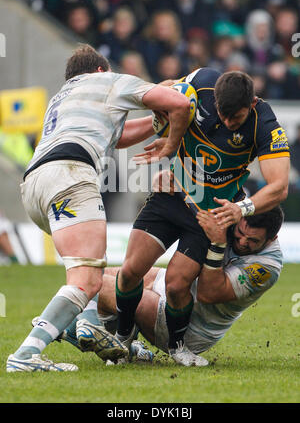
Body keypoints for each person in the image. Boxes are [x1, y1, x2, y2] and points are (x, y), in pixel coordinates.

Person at [6, 44, 191, 373]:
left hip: (34, 186)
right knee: (87, 280)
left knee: (82, 274)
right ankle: (26, 354)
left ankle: (83, 322)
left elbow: (116, 137)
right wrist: (170, 143)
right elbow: (179, 102)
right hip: (70, 175)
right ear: (102, 70)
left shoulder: (62, 97)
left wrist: (154, 123)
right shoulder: (109, 81)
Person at [114, 67, 290, 367]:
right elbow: (164, 90)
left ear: (252, 104)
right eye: (222, 114)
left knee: (176, 284)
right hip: (173, 193)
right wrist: (166, 131)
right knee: (130, 271)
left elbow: (280, 186)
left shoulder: (265, 122)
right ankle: (122, 340)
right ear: (216, 100)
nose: (226, 122)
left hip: (209, 211)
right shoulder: (200, 82)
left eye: (235, 118)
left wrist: (241, 208)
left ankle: (178, 346)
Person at [42, 206, 284, 367]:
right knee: (102, 274)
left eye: (252, 241)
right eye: (240, 233)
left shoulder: (267, 267)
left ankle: (68, 329)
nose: (242, 242)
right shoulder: (233, 215)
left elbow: (209, 293)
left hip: (192, 327)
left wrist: (219, 243)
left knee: (100, 285)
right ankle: (121, 343)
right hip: (169, 285)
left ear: (271, 238)